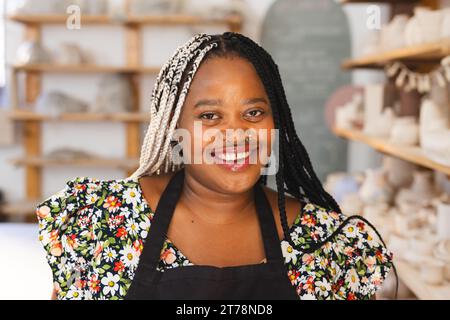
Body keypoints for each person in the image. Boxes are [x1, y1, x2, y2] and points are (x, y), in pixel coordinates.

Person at [36, 32, 394, 300]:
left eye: (254, 113)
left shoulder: (324, 243)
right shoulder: (100, 221)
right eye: (209, 115)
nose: (236, 134)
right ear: (174, 130)